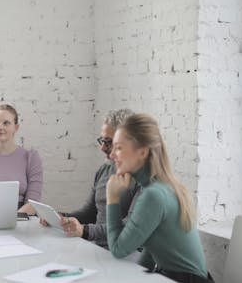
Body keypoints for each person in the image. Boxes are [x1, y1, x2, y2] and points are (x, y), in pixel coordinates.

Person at [106, 114, 212, 283]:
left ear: (142, 151)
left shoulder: (153, 195)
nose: (111, 155)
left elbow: (118, 249)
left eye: (118, 147)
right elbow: (151, 253)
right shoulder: (161, 187)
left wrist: (112, 198)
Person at [40, 108, 139, 248]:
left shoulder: (143, 180)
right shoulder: (104, 170)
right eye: (102, 141)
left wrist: (85, 231)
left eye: (108, 142)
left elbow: (131, 226)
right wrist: (61, 218)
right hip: (99, 248)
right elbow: (90, 212)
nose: (102, 148)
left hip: (126, 252)